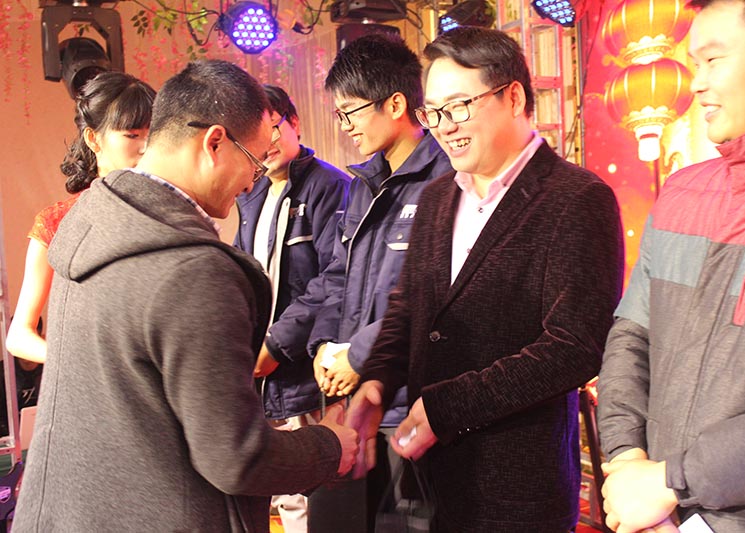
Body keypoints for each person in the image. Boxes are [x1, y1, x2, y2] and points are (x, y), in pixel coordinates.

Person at [13, 59, 358, 532]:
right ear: (214, 143)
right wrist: (330, 446)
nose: (252, 180)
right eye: (254, 161)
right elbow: (236, 457)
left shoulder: (87, 219)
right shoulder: (193, 269)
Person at [346, 26, 624, 532]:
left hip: (516, 487)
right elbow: (409, 307)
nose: (443, 127)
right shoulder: (437, 197)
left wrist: (447, 408)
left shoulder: (576, 198)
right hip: (430, 477)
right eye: (433, 112)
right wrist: (377, 381)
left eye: (458, 107)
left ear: (513, 97)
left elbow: (575, 346)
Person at [597, 1, 745, 532]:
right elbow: (631, 336)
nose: (697, 84)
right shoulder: (684, 191)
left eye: (714, 60)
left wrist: (672, 480)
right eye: (694, 64)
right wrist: (627, 462)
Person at [306, 33, 452, 531]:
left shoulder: (445, 180)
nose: (344, 126)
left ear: (395, 104)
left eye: (351, 111)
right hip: (350, 402)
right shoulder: (362, 183)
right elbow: (337, 275)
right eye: (338, 114)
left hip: (407, 405)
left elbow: (433, 293)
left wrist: (361, 355)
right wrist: (325, 348)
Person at [233, 84, 350, 532]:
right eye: (255, 133)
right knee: (275, 490)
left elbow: (333, 280)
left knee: (309, 490)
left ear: (294, 123)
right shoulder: (251, 193)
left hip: (302, 368)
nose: (267, 143)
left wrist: (276, 346)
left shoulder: (330, 187)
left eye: (274, 127)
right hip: (259, 371)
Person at [6, 72, 155, 365]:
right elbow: (19, 336)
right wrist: (84, 362)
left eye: (153, 136)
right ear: (93, 138)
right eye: (132, 135)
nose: (145, 147)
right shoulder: (57, 221)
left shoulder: (170, 212)